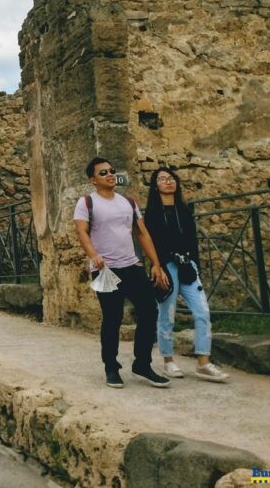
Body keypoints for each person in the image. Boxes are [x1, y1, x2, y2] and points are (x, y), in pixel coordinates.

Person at [74, 157, 170, 389]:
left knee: (149, 310)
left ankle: (142, 364)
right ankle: (111, 367)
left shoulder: (128, 202)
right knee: (112, 317)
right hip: (104, 269)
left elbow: (143, 234)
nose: (110, 175)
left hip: (131, 265)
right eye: (104, 172)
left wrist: (156, 264)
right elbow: (82, 232)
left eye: (112, 171)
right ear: (93, 179)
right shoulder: (87, 202)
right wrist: (93, 255)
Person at [143, 167, 229, 382]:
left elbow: (193, 241)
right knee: (167, 315)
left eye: (171, 178)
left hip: (187, 265)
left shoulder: (184, 209)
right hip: (166, 267)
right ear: (156, 186)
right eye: (162, 179)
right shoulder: (152, 213)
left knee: (202, 312)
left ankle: (203, 362)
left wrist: (195, 265)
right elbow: (150, 242)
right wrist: (157, 267)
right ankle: (168, 361)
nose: (168, 182)